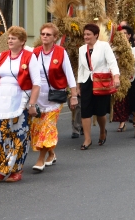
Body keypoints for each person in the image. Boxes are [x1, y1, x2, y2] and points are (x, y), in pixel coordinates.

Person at [0, 26, 41, 183]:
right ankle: (2, 168)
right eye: (9, 38)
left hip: (20, 101)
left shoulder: (29, 57)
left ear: (22, 41)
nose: (10, 40)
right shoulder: (2, 56)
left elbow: (36, 84)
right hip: (1, 101)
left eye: (13, 38)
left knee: (18, 137)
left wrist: (32, 105)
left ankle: (16, 170)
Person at [31, 23, 78, 171]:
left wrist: (74, 95)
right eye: (43, 34)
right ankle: (51, 154)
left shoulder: (60, 52)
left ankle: (40, 160)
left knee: (48, 128)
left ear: (55, 37)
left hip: (54, 97)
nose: (45, 36)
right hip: (38, 97)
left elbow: (69, 75)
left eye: (48, 34)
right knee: (38, 128)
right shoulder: (35, 53)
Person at [77, 24, 120, 149]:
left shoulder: (104, 46)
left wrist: (116, 77)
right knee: (85, 111)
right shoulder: (81, 49)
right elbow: (81, 68)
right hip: (87, 82)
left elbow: (112, 62)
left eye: (88, 34)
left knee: (100, 112)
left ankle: (102, 131)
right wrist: (78, 86)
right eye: (85, 34)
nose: (86, 37)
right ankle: (87, 139)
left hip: (101, 82)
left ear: (96, 35)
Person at [112, 25, 135, 131]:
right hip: (117, 77)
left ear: (129, 35)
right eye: (120, 33)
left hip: (129, 77)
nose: (122, 35)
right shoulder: (114, 47)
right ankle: (122, 122)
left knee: (129, 100)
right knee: (119, 100)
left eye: (125, 33)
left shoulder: (133, 48)